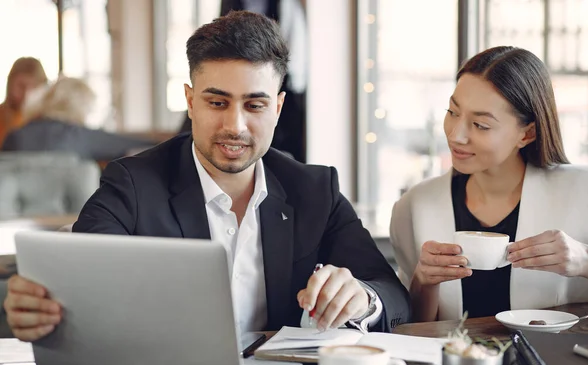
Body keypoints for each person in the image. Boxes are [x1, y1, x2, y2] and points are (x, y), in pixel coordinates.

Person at [4, 11, 410, 342]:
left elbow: (392, 295)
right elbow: (79, 277)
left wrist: (363, 298)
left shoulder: (315, 189)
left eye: (255, 105)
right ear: (190, 102)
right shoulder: (132, 183)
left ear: (279, 108)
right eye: (217, 102)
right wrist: (39, 302)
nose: (234, 126)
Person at [390, 46, 588, 323]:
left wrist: (586, 259)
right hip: (458, 364)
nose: (456, 135)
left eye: (480, 125)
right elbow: (412, 326)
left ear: (527, 133)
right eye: (452, 112)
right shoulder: (414, 207)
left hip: (559, 364)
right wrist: (424, 281)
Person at [2, 76, 152, 161]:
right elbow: (129, 144)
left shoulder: (15, 136)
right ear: (80, 106)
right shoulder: (78, 135)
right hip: (72, 214)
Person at [0, 57, 48, 146]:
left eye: (34, 88)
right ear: (10, 84)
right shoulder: (1, 116)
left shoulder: (49, 122)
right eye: (21, 86)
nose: (26, 94)